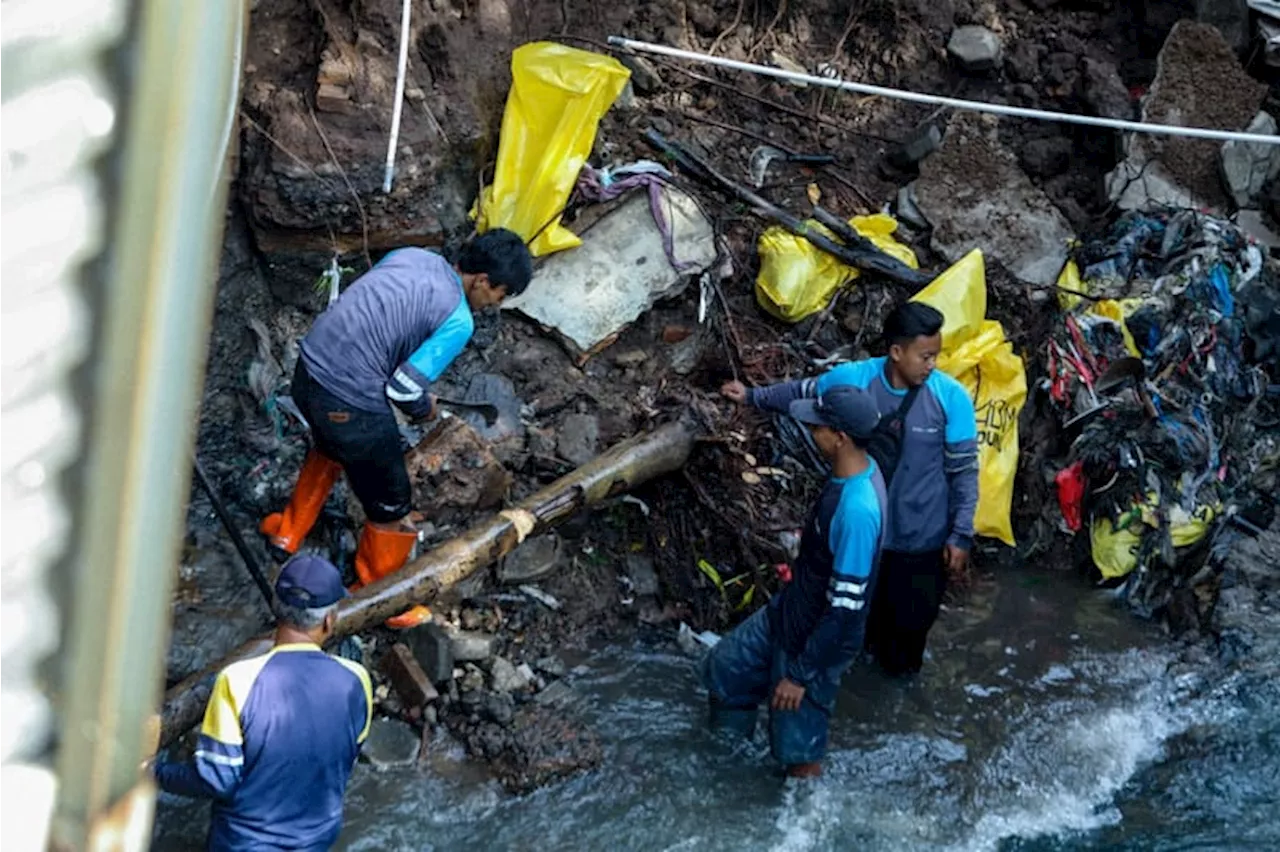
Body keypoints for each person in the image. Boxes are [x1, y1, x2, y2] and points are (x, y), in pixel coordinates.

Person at [260, 230, 533, 628]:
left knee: (329, 446)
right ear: (482, 281)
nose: (495, 304)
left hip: (308, 374)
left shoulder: (412, 256)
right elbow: (403, 388)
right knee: (391, 497)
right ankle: (382, 597)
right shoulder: (459, 320)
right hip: (347, 401)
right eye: (500, 295)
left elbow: (379, 319)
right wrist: (425, 409)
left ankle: (287, 532)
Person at [721, 301, 978, 675]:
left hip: (921, 540)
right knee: (855, 630)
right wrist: (751, 396)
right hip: (865, 537)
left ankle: (893, 708)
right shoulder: (857, 380)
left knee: (906, 642)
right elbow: (803, 391)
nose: (932, 365)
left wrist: (961, 533)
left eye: (935, 356)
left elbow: (964, 472)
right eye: (924, 356)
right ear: (896, 352)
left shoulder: (950, 398)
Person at [703, 385, 887, 778]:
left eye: (818, 426)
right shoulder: (851, 473)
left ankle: (797, 818)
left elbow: (844, 609)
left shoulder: (858, 510)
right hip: (791, 611)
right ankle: (725, 774)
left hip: (815, 639)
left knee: (796, 748)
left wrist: (800, 675)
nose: (809, 430)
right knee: (726, 669)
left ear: (839, 438)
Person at [153, 555, 372, 851]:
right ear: (329, 620)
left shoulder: (236, 680)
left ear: (275, 607)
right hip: (316, 840)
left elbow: (216, 778)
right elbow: (347, 755)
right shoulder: (356, 680)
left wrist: (154, 773)